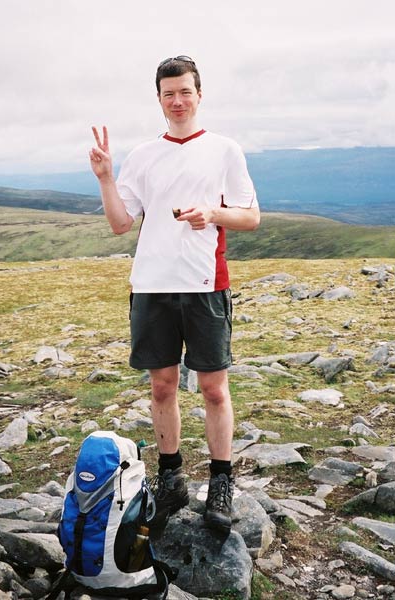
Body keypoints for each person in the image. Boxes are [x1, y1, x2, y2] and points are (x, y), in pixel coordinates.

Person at [89, 56, 260, 534]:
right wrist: (105, 176)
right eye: (169, 93)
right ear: (159, 99)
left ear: (199, 94)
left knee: (212, 388)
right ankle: (172, 479)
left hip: (205, 283)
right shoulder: (143, 155)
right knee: (162, 385)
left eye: (185, 91)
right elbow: (122, 223)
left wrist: (214, 213)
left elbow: (251, 217)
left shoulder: (225, 150)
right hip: (152, 285)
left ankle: (221, 481)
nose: (178, 101)